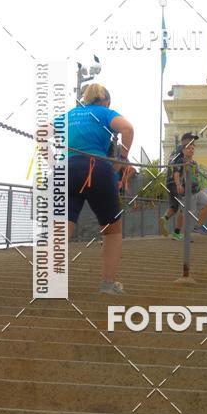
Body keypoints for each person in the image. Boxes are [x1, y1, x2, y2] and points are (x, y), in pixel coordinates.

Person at [63, 83, 135, 295]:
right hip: (97, 168)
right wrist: (122, 158)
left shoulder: (70, 114)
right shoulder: (104, 112)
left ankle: (48, 281)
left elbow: (42, 133)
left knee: (63, 224)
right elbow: (128, 129)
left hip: (66, 168)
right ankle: (108, 283)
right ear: (105, 101)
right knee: (111, 229)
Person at [170, 134, 207, 236]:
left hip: (197, 190)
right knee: (189, 213)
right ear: (184, 151)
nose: (191, 150)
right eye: (189, 148)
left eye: (193, 148)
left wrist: (200, 188)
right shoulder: (180, 161)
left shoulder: (194, 163)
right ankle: (186, 236)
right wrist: (178, 185)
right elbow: (176, 173)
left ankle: (197, 227)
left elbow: (196, 176)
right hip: (187, 192)